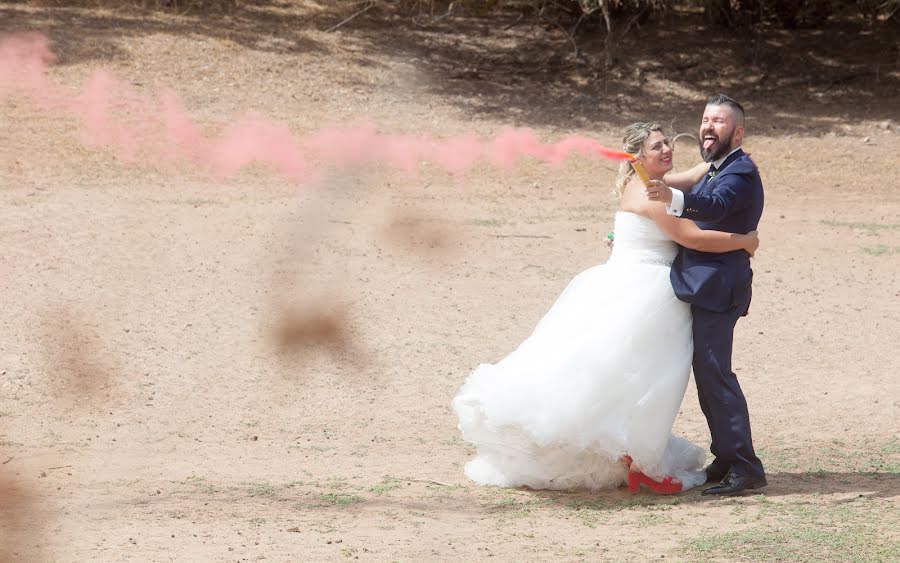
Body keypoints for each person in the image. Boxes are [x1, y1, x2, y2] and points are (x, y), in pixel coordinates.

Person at [452, 121, 759, 493]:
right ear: (638, 157)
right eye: (657, 146)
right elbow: (688, 236)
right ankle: (640, 458)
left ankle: (628, 453)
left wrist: (722, 160)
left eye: (667, 143)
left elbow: (690, 175)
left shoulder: (645, 183)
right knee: (646, 377)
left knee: (625, 372)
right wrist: (744, 241)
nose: (666, 150)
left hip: (621, 280)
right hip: (648, 289)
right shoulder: (651, 195)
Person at [646, 94, 767, 495]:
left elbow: (714, 208)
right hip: (705, 286)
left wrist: (672, 199)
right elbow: (692, 183)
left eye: (718, 121)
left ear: (738, 131)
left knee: (717, 374)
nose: (708, 127)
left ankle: (746, 466)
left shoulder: (741, 173)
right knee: (707, 374)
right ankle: (729, 456)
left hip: (719, 289)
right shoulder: (716, 166)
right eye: (705, 119)